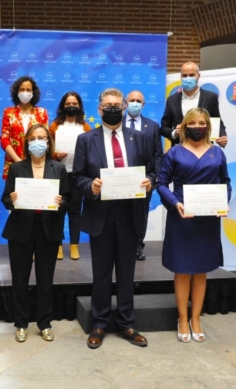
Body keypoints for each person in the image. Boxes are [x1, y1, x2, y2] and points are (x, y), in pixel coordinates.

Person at [73, 88, 155, 349]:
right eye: (107, 105)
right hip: (101, 214)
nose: (113, 109)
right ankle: (99, 323)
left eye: (117, 105)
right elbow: (77, 177)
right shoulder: (86, 139)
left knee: (127, 272)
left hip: (130, 213)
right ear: (99, 109)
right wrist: (91, 187)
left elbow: (154, 170)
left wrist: (150, 181)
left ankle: (127, 323)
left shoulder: (139, 138)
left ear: (123, 109)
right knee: (101, 272)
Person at [156, 107, 231, 343]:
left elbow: (226, 182)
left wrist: (224, 201)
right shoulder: (175, 152)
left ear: (208, 126)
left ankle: (196, 318)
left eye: (202, 123)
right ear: (185, 126)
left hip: (207, 219)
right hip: (182, 217)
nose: (197, 127)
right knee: (182, 269)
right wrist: (174, 203)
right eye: (193, 123)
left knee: (200, 270)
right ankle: (181, 317)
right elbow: (161, 183)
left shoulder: (217, 153)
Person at [1, 124, 69, 342]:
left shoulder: (58, 168)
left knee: (45, 278)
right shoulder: (16, 168)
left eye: (42, 138)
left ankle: (45, 323)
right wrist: (11, 200)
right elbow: (5, 200)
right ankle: (21, 323)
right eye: (33, 138)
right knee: (19, 279)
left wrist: (61, 202)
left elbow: (68, 199)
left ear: (48, 142)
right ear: (27, 142)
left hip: (48, 229)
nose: (38, 142)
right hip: (21, 228)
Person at [49, 91, 91, 261]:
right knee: (58, 210)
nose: (71, 106)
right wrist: (55, 155)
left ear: (79, 105)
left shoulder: (85, 127)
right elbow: (47, 149)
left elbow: (91, 150)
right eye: (68, 104)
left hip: (77, 174)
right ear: (63, 106)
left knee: (75, 211)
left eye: (74, 103)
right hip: (58, 173)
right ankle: (57, 245)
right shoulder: (55, 126)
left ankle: (74, 245)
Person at [123, 90, 163, 261]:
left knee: (140, 214)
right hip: (121, 178)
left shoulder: (152, 126)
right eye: (132, 100)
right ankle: (121, 246)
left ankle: (138, 246)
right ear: (125, 103)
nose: (135, 103)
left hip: (143, 179)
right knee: (121, 214)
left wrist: (154, 178)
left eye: (138, 101)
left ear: (143, 104)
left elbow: (158, 154)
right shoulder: (117, 123)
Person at [160, 61, 228, 148]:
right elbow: (164, 128)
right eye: (184, 76)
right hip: (179, 150)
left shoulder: (211, 97)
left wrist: (222, 136)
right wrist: (175, 132)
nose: (188, 78)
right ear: (181, 77)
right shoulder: (171, 100)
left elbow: (216, 121)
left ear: (198, 76)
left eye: (191, 75)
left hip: (205, 149)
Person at [0, 76, 48, 180]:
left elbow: (46, 139)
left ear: (33, 92)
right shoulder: (8, 112)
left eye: (28, 90)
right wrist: (18, 161)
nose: (25, 92)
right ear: (17, 92)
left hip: (37, 163)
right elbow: (4, 139)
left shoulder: (41, 113)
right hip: (13, 163)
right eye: (22, 89)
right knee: (13, 195)